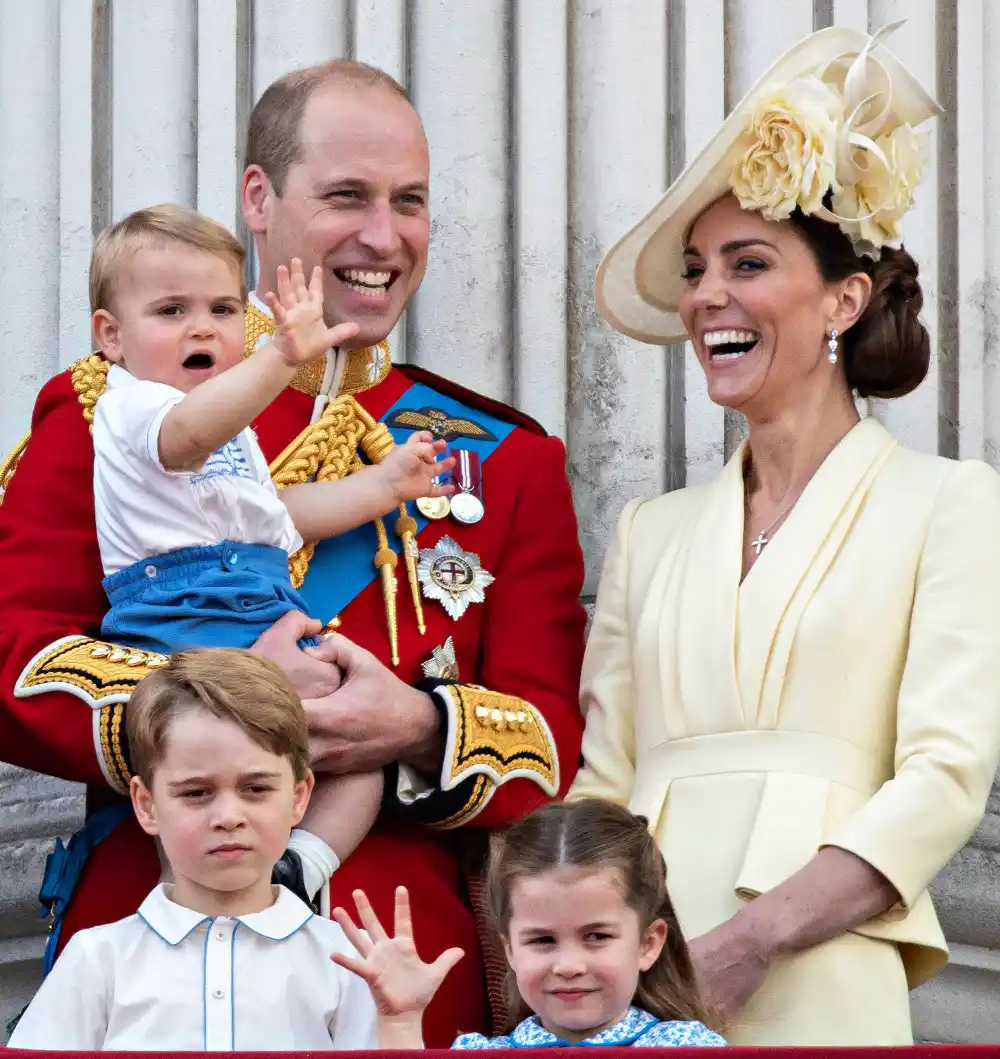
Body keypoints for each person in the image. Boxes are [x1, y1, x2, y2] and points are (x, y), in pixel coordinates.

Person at [0, 60, 586, 1045]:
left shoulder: (506, 458)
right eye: (346, 196)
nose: (382, 236)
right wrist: (207, 697)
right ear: (259, 199)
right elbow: (14, 660)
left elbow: (548, 743)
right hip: (151, 952)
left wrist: (416, 726)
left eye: (409, 202)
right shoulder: (113, 408)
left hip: (396, 970)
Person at [569, 24, 1000, 1046]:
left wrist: (753, 940)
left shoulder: (948, 502)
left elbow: (943, 778)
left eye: (748, 262)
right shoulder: (648, 531)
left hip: (823, 963)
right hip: (640, 977)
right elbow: (601, 788)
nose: (705, 296)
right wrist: (566, 958)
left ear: (844, 299)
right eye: (695, 269)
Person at [89, 204, 454, 901]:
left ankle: (301, 868)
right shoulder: (132, 403)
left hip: (260, 596)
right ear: (112, 336)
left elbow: (279, 518)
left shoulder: (236, 429)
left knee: (361, 753)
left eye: (223, 309)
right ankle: (195, 902)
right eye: (171, 311)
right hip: (183, 610)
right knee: (202, 766)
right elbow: (186, 436)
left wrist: (381, 486)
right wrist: (280, 357)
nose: (202, 328)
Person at [9, 649, 461, 1050]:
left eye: (256, 788)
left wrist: (400, 1024)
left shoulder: (344, 959)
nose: (228, 816)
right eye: (196, 793)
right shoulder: (97, 959)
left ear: (299, 797)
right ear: (147, 805)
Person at [334, 799, 724, 1049]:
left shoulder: (688, 1049)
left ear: (648, 944)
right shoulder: (480, 1054)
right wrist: (401, 1022)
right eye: (542, 940)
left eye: (597, 936)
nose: (568, 965)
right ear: (509, 949)